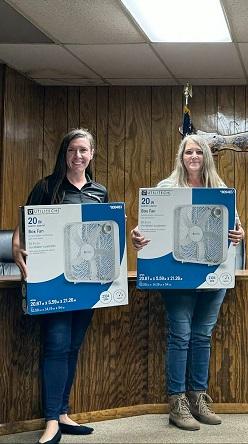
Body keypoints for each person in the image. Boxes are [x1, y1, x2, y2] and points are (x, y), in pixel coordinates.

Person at [131, 135, 244, 431]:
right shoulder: (166, 189)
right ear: (181, 157)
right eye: (188, 152)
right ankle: (177, 401)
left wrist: (238, 234)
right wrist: (137, 235)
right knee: (180, 335)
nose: (193, 156)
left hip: (212, 274)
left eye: (198, 151)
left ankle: (198, 397)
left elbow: (235, 227)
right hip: (178, 276)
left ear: (206, 156)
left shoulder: (220, 190)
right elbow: (148, 226)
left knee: (202, 335)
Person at [12, 128, 105, 444]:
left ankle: (63, 413)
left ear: (92, 154)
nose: (78, 156)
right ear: (64, 154)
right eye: (72, 150)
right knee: (55, 346)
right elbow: (23, 228)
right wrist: (16, 247)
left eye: (84, 150)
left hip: (87, 282)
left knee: (72, 347)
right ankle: (51, 420)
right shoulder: (47, 187)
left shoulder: (99, 192)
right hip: (53, 283)